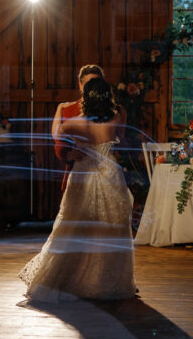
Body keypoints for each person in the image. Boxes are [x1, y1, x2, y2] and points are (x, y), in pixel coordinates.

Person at [19, 76, 136, 302]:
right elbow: (121, 136)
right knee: (112, 229)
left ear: (87, 97)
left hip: (83, 175)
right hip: (110, 175)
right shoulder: (118, 118)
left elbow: (57, 134)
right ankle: (106, 281)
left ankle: (70, 280)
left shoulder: (74, 124)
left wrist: (72, 151)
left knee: (74, 228)